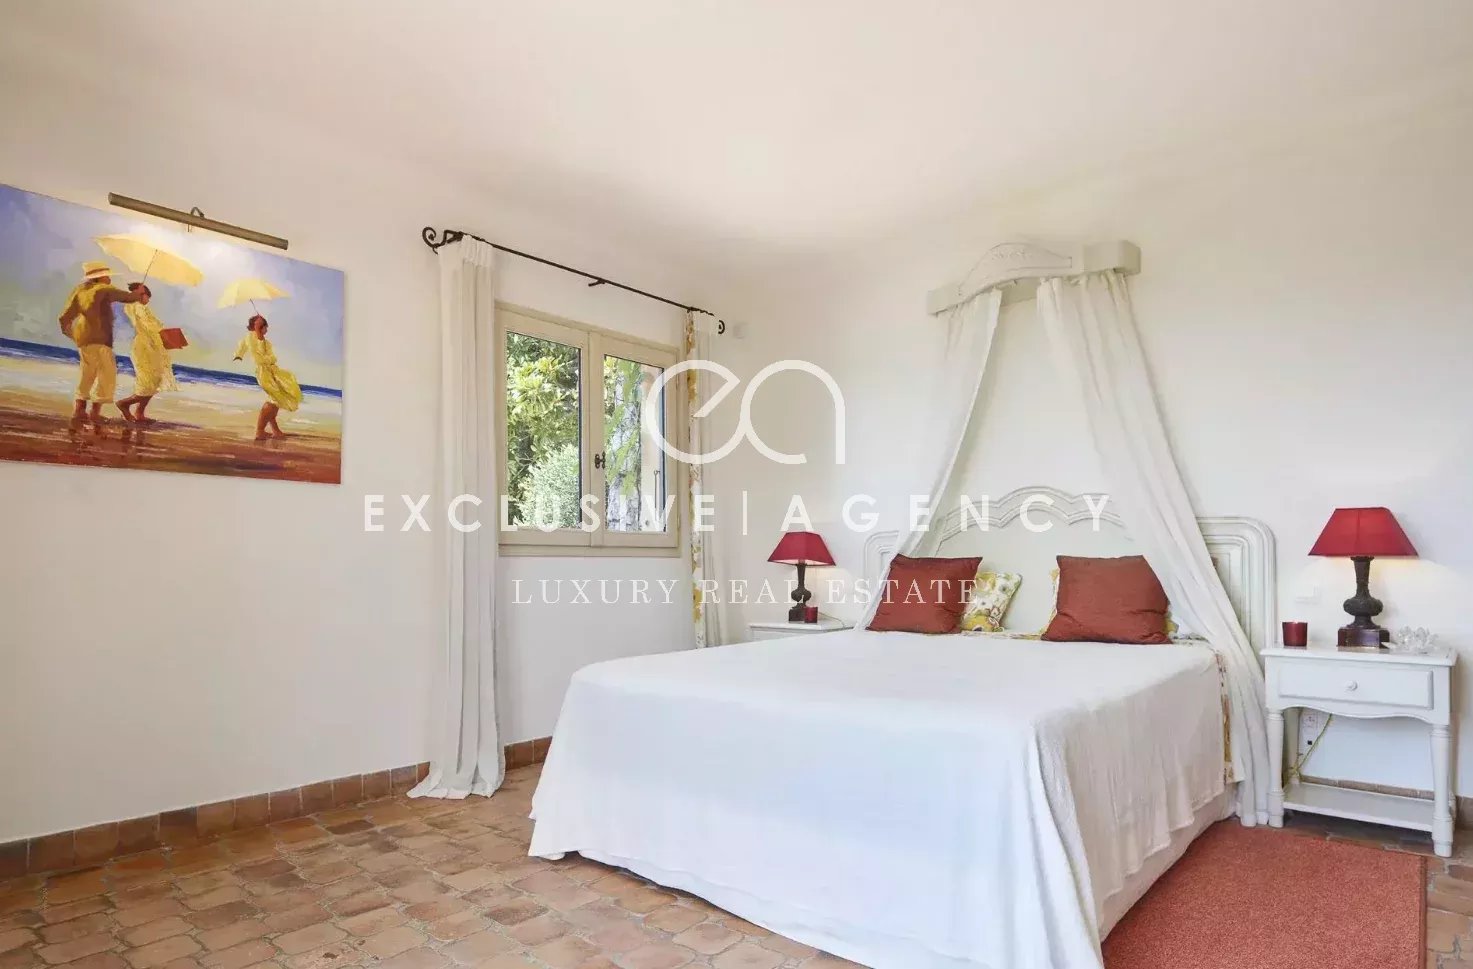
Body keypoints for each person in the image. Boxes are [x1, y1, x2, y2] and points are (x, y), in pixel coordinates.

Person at [57, 261, 146, 428]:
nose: (109, 278)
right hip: (101, 338)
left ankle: (79, 410)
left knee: (87, 373)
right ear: (100, 277)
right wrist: (139, 292)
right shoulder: (104, 290)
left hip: (83, 338)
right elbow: (128, 298)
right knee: (107, 375)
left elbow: (64, 318)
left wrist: (73, 335)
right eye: (107, 275)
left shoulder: (80, 290)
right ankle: (95, 413)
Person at [116, 283, 178, 424]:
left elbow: (153, 325)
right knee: (147, 382)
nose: (148, 300)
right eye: (146, 296)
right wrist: (163, 333)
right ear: (140, 294)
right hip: (144, 347)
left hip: (151, 346)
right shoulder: (135, 306)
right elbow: (149, 325)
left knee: (154, 381)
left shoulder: (140, 307)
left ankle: (139, 412)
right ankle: (124, 404)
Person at [233, 315, 302, 440]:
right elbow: (248, 350)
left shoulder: (266, 342)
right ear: (259, 326)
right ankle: (260, 431)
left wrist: (268, 358)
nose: (267, 329)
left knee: (278, 398)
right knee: (274, 400)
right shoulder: (251, 338)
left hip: (272, 371)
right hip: (263, 372)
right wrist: (239, 355)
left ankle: (275, 430)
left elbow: (271, 357)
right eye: (265, 326)